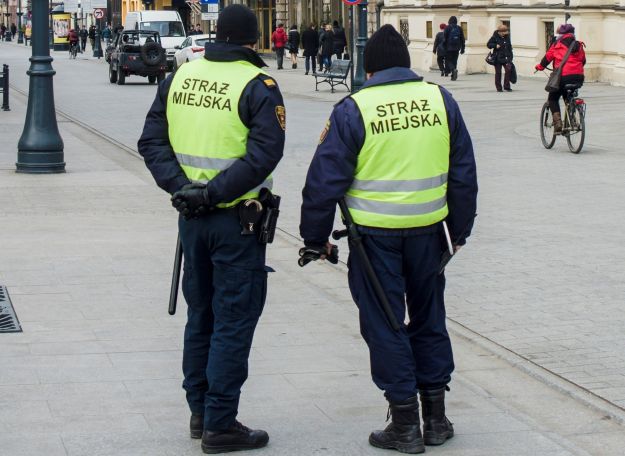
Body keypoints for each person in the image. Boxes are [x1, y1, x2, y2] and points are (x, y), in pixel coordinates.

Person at [299, 24, 477, 454]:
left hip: (374, 238)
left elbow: (323, 184)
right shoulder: (441, 100)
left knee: (385, 324)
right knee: (429, 317)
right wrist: (460, 232)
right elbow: (463, 174)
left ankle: (404, 423)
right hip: (430, 235)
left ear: (370, 67)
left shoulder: (353, 109)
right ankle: (435, 418)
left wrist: (315, 238)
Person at [137, 4, 285, 454]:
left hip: (192, 220)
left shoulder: (179, 77)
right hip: (236, 221)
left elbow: (151, 141)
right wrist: (213, 193)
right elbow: (263, 155)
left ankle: (199, 412)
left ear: (217, 35)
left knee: (201, 315)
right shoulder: (258, 85)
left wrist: (183, 189)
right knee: (234, 319)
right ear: (252, 40)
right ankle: (221, 422)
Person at [535, 23, 585, 134]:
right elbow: (583, 61)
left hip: (563, 76)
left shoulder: (557, 44)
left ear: (561, 34)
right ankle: (573, 119)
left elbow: (548, 58)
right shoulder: (578, 45)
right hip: (578, 77)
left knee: (552, 98)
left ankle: (558, 124)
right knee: (568, 96)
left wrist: (540, 66)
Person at [487, 24, 514, 92]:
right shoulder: (494, 37)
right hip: (498, 58)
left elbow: (509, 47)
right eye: (504, 32)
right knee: (498, 73)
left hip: (506, 58)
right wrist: (495, 45)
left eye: (506, 32)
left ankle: (506, 86)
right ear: (500, 32)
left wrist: (510, 57)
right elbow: (488, 44)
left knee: (508, 71)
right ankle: (499, 88)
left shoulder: (507, 37)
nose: (505, 33)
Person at [442, 16, 465, 81]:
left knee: (448, 60)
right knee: (454, 61)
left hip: (449, 48)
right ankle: (453, 75)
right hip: (457, 47)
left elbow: (444, 39)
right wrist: (463, 48)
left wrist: (444, 47)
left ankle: (453, 70)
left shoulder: (447, 28)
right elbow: (462, 39)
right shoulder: (459, 28)